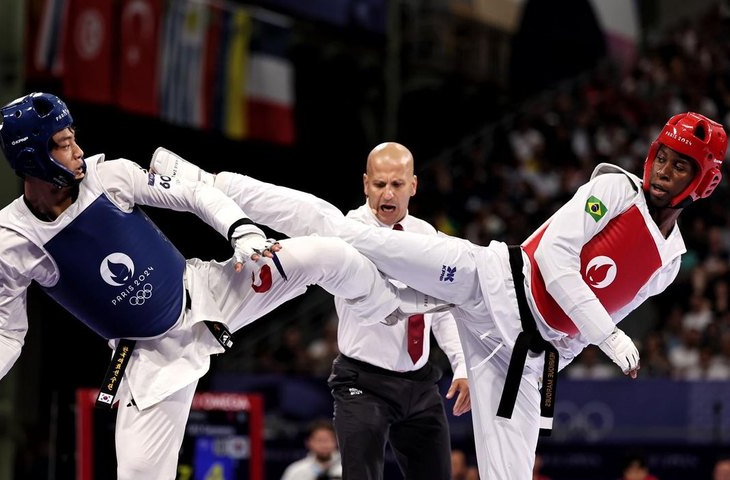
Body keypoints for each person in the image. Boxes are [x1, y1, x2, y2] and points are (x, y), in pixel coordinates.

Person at [151, 111, 728, 479]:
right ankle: (205, 184)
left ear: (702, 182)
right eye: (662, 157)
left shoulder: (669, 263)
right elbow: (554, 259)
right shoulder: (614, 189)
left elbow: (586, 322)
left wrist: (551, 355)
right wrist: (610, 336)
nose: (664, 171)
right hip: (490, 282)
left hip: (521, 359)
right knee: (341, 233)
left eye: (681, 167)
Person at [0, 93, 448, 480]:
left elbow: (195, 195)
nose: (78, 150)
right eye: (64, 144)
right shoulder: (12, 245)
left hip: (213, 290)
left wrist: (241, 230)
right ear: (33, 156)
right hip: (151, 357)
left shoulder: (111, 177)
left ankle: (394, 306)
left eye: (74, 139)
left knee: (329, 252)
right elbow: (5, 331)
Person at [314, 142, 470, 479]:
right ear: (365, 184)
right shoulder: (347, 233)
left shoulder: (426, 235)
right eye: (379, 184)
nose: (388, 193)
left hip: (420, 383)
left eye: (397, 184)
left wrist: (462, 365)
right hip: (363, 383)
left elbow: (442, 310)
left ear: (412, 186)